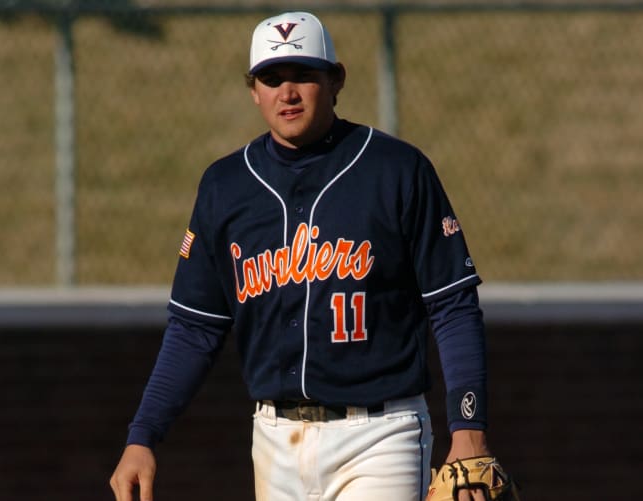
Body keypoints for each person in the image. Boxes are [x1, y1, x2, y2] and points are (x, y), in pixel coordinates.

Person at [110, 11, 494, 501]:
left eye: (303, 76)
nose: (286, 93)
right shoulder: (225, 187)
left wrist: (469, 431)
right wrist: (143, 435)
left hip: (381, 434)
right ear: (253, 90)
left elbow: (453, 306)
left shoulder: (396, 170)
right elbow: (195, 327)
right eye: (271, 79)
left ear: (336, 80)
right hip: (274, 437)